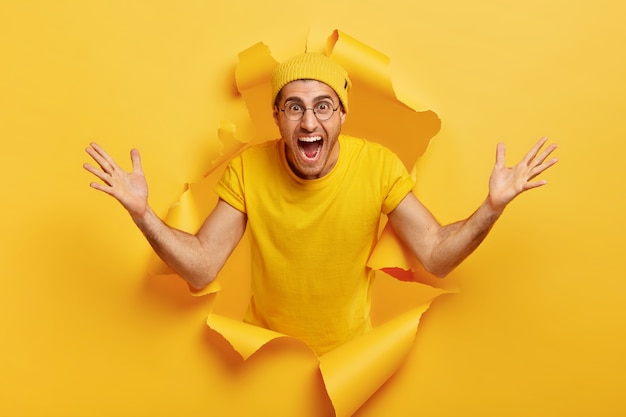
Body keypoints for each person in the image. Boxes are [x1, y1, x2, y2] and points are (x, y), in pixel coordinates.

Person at [84, 52, 558, 355]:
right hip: (267, 357)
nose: (309, 121)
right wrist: (143, 214)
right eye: (294, 107)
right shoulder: (250, 169)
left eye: (323, 106)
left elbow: (435, 253)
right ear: (277, 117)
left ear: (343, 115)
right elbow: (203, 266)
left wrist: (492, 207)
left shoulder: (378, 166)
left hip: (349, 360)